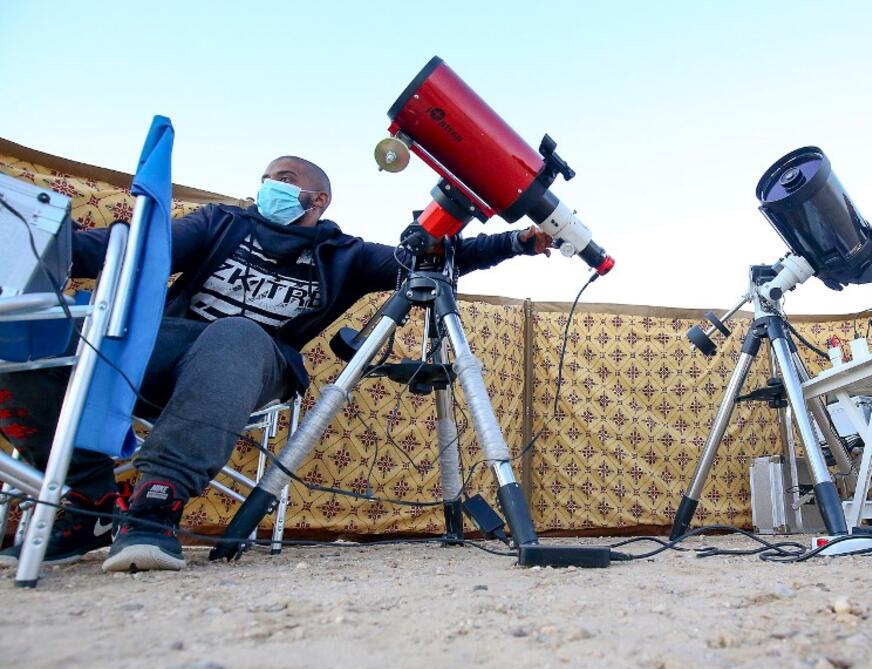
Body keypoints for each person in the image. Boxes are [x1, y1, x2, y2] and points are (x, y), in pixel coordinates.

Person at [0, 156, 552, 571]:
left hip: (253, 361)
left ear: (318, 201)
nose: (272, 185)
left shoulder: (346, 256)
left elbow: (432, 259)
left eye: (285, 178)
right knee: (32, 343)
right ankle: (88, 499)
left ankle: (156, 504)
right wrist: (41, 235)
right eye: (269, 177)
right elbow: (138, 252)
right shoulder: (220, 223)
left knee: (237, 332)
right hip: (161, 349)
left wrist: (517, 242)